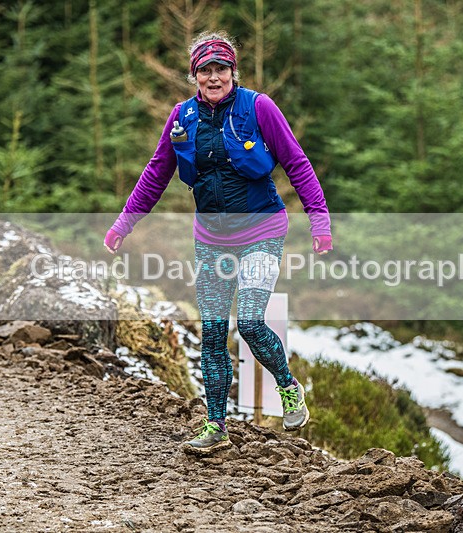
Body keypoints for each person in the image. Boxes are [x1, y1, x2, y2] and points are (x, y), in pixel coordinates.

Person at [104, 31, 332, 456]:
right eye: (205, 70)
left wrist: (319, 222)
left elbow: (297, 163)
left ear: (233, 72)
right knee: (211, 333)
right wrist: (123, 224)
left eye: (221, 69)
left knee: (248, 321)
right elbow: (156, 174)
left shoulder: (258, 107)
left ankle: (288, 386)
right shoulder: (182, 118)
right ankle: (215, 425)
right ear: (194, 75)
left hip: (263, 230)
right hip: (211, 239)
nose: (213, 77)